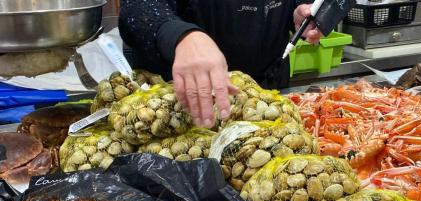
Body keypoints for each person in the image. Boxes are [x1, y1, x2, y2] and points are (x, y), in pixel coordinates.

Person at [119, 0, 322, 128]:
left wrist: (302, 13)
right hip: (191, 111)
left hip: (269, 98)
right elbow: (135, 10)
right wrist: (181, 36)